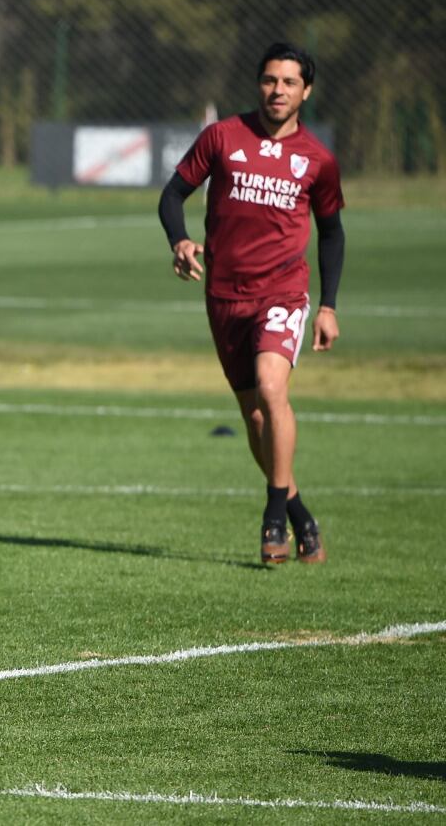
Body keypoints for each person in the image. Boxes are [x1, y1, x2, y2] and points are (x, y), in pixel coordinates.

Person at [158, 42, 346, 565]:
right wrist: (180, 240)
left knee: (271, 388)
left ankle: (270, 514)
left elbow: (332, 234)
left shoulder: (318, 161)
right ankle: (299, 512)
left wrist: (327, 306)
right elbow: (172, 195)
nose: (277, 90)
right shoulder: (222, 137)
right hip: (223, 295)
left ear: (306, 91)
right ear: (258, 84)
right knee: (256, 419)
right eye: (269, 80)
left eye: (288, 82)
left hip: (283, 291)